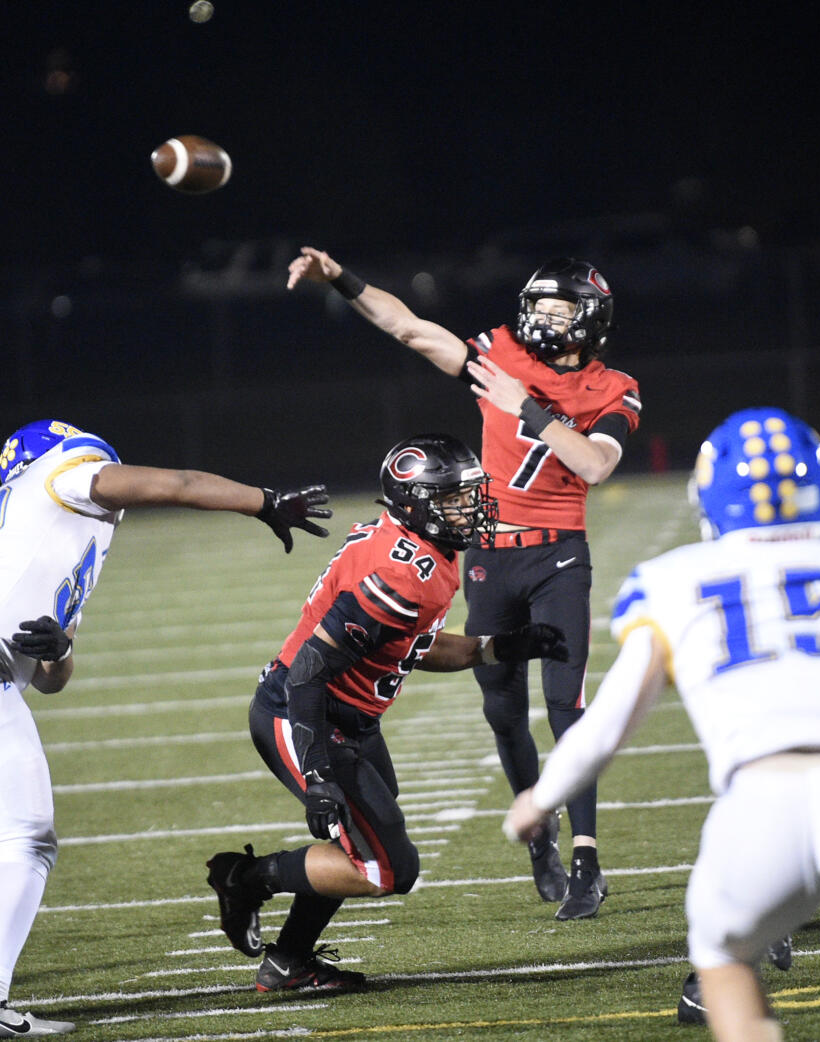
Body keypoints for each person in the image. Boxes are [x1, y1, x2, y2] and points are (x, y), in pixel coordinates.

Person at [504, 407, 820, 1042]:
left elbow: (604, 728)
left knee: (723, 965)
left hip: (764, 802)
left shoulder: (673, 582)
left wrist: (540, 800)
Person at [0, 419, 331, 1040]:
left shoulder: (52, 537)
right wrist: (264, 502)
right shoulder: (63, 475)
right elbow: (177, 482)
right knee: (29, 841)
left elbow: (51, 679)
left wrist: (59, 645)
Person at [287, 248, 642, 920]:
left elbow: (593, 465)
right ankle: (539, 835)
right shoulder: (501, 353)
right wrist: (342, 278)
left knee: (567, 704)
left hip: (558, 557)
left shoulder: (611, 388)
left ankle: (587, 858)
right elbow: (412, 329)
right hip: (489, 556)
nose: (542, 318)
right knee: (503, 712)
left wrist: (527, 408)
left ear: (590, 319)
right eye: (537, 304)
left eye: (559, 308)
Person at [206, 433, 569, 992]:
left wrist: (495, 646)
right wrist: (320, 771)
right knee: (388, 869)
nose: (469, 509)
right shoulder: (404, 573)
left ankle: (289, 962)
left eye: (468, 495)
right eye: (452, 499)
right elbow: (307, 672)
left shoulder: (423, 551)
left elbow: (411, 645)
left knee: (367, 834)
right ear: (415, 503)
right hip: (301, 712)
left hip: (347, 716)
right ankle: (245, 877)